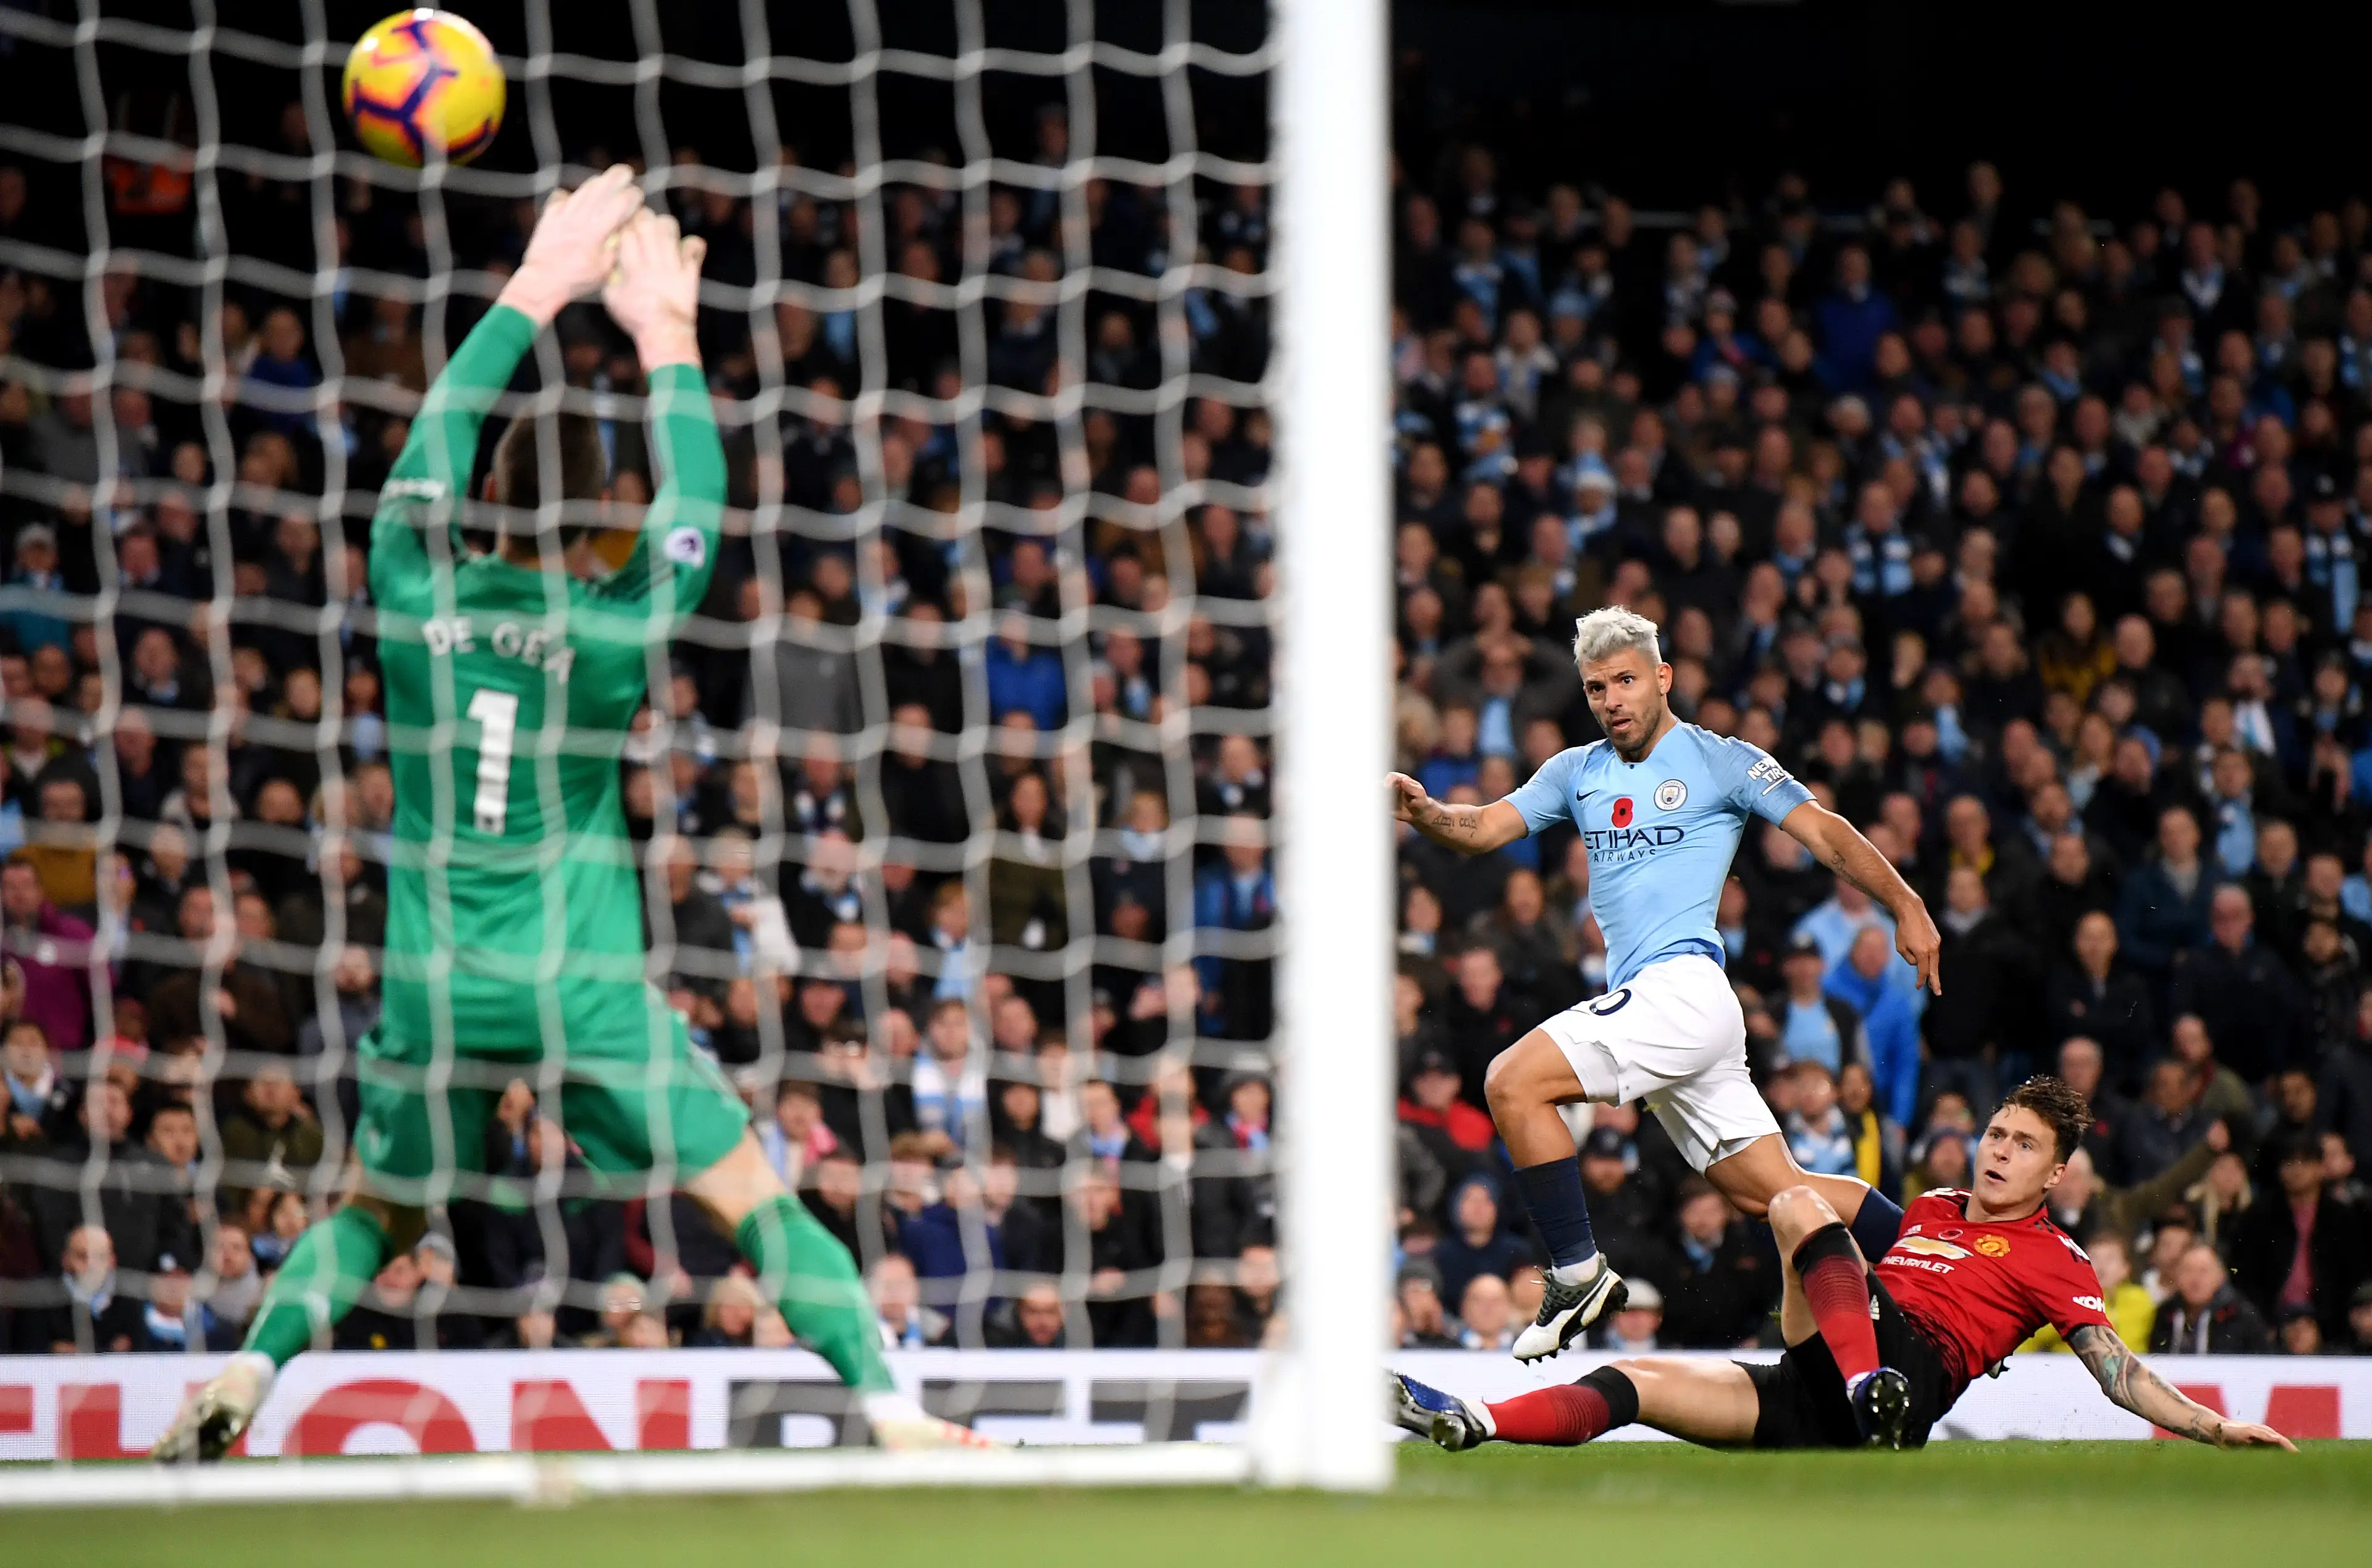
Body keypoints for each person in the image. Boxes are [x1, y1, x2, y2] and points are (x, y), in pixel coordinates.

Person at [158, 172, 983, 1462]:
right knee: (752, 1201)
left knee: (374, 1213)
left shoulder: (407, 581)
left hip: (439, 984)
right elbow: (696, 508)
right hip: (580, 982)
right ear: (603, 524)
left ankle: (251, 1375)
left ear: (483, 491)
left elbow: (431, 443)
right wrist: (665, 336)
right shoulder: (611, 633)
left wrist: (534, 286)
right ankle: (890, 1406)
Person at [1388, 605, 1940, 1360]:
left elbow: (1824, 831)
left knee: (1512, 1082)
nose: (1611, 699)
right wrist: (1423, 813)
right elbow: (1482, 827)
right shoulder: (1576, 771)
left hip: (1682, 988)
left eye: (1624, 681)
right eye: (1594, 688)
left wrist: (1905, 903)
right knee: (1774, 1192)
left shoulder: (1722, 760)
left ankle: (1577, 1273)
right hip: (1671, 1010)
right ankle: (1943, 1260)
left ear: (1662, 677)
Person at [1392, 1076, 2295, 1452]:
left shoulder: (2052, 1256)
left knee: (1802, 1206)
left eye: (2023, 1144)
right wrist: (1669, 1091)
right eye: (1995, 1132)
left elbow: (2114, 1365)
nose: (1998, 1150)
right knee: (1633, 1377)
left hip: (1908, 1376)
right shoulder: (1927, 1214)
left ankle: (1872, 1385)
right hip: (1822, 1383)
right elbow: (1768, 1180)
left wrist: (2212, 1425)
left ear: (2055, 1172)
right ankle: (1474, 1419)